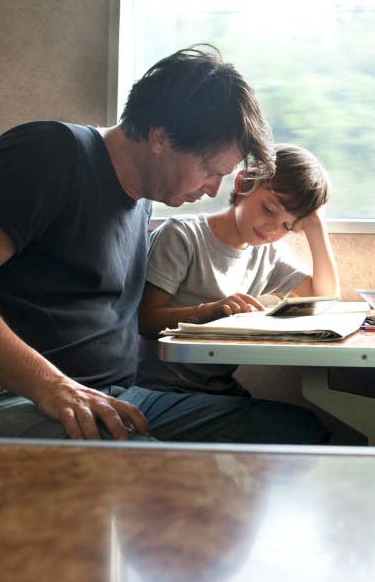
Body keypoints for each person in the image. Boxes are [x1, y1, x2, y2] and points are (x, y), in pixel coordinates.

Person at [0, 45, 329, 444]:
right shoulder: (50, 153)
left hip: (106, 396)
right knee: (150, 474)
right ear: (160, 138)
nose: (213, 190)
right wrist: (54, 387)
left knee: (291, 434)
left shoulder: (140, 204)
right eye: (210, 171)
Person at [137, 143, 339, 396]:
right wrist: (211, 311)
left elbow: (325, 297)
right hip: (163, 389)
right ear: (243, 184)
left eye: (287, 226)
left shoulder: (266, 253)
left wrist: (315, 227)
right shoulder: (182, 236)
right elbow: (145, 320)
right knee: (305, 430)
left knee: (308, 428)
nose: (272, 229)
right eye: (269, 209)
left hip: (217, 389)